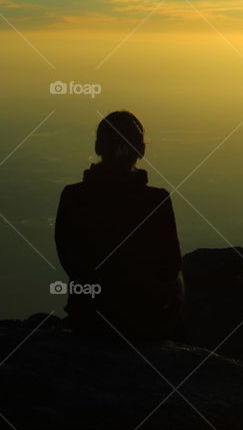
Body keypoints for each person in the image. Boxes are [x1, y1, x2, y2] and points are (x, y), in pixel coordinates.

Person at [55, 111, 183, 341]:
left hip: (88, 318)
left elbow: (71, 261)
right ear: (141, 150)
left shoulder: (72, 196)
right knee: (178, 283)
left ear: (98, 147)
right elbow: (171, 266)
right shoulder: (156, 200)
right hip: (143, 321)